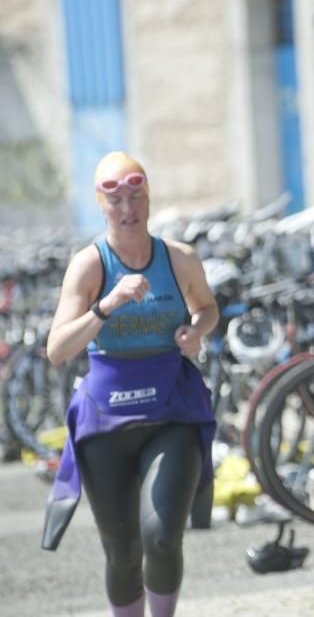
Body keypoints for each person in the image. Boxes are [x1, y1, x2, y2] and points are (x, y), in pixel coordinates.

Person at [43, 152, 219, 617]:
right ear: (101, 205)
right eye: (116, 199)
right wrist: (106, 306)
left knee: (161, 535)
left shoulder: (178, 258)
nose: (128, 209)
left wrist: (195, 331)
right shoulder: (89, 265)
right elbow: (57, 349)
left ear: (149, 199)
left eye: (136, 197)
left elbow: (207, 308)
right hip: (107, 417)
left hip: (171, 411)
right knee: (122, 552)